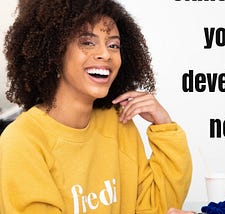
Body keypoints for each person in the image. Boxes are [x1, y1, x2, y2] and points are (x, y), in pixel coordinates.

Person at [0, 0, 194, 213]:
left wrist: (164, 125)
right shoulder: (22, 141)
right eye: (88, 42)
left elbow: (158, 206)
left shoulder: (118, 123)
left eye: (113, 45)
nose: (105, 54)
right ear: (55, 52)